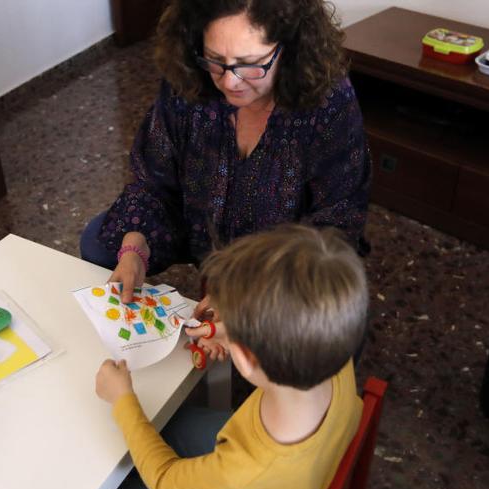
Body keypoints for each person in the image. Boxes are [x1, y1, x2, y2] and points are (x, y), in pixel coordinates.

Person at [80, 0, 372, 305]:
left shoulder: (328, 102)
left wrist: (250, 296)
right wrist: (135, 250)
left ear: (289, 47)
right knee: (99, 243)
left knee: (310, 330)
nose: (230, 81)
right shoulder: (190, 78)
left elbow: (338, 223)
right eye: (216, 59)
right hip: (197, 223)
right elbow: (153, 180)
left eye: (250, 63)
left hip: (282, 258)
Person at [95, 224, 368, 489]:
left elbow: (165, 482)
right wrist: (230, 331)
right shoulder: (329, 340)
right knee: (171, 424)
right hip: (315, 459)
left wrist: (122, 400)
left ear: (246, 357)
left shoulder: (246, 472)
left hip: (260, 477)